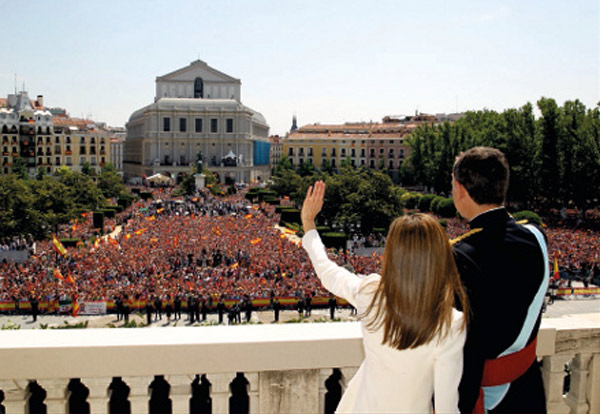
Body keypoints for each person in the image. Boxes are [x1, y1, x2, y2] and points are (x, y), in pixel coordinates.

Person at [301, 181, 468, 413]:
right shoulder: (452, 323)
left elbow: (328, 272)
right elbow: (447, 408)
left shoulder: (372, 293)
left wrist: (309, 224)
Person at [451, 147, 549, 413]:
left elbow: (463, 345)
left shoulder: (458, 256)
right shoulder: (536, 236)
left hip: (483, 397)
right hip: (528, 388)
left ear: (460, 190)